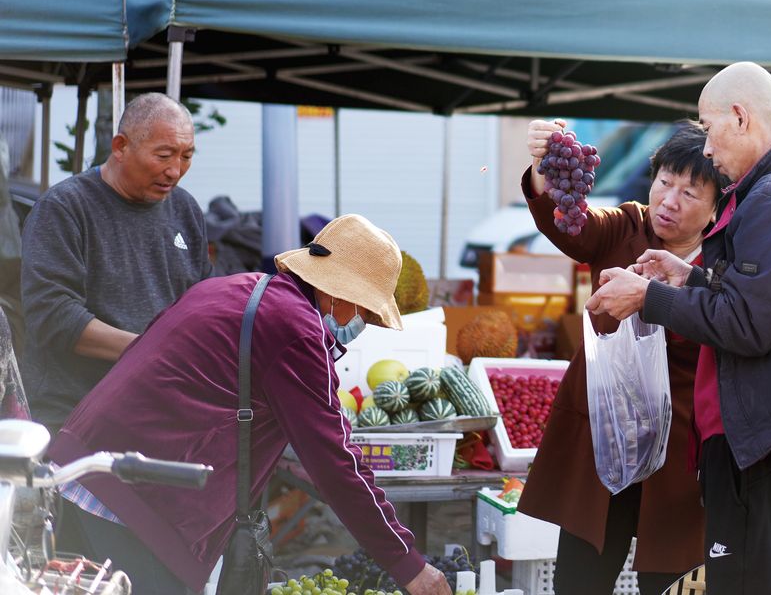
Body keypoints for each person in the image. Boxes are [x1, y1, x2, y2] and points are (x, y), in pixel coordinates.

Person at [47, 214, 451, 595]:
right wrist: (409, 566)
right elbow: (336, 462)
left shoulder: (235, 289)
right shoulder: (295, 330)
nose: (361, 323)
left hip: (84, 469)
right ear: (336, 291)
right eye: (365, 310)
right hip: (132, 498)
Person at [587, 62, 771, 595]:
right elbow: (764, 304)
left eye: (708, 130)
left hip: (763, 432)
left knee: (750, 582)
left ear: (739, 117)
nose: (706, 149)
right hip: (768, 427)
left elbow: (749, 325)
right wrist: (691, 277)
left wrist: (649, 296)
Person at [517, 119, 723, 595]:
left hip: (679, 456)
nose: (669, 200)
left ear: (716, 210)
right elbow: (574, 226)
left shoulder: (724, 265)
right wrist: (543, 170)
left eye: (690, 193)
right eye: (664, 182)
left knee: (671, 582)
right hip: (602, 440)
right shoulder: (626, 226)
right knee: (580, 579)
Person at [21, 92, 209, 430]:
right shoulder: (65, 208)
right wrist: (151, 350)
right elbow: (52, 315)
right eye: (164, 155)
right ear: (120, 146)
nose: (175, 170)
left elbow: (202, 306)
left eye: (186, 156)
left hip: (160, 413)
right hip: (73, 417)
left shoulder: (186, 210)